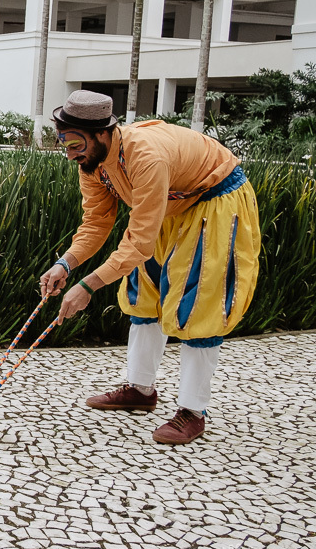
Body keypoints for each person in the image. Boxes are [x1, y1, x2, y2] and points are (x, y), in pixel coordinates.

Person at [40, 90, 261, 445]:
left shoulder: (146, 156)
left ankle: (192, 410)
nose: (69, 152)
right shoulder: (91, 164)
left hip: (214, 200)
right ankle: (140, 390)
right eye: (62, 142)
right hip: (170, 209)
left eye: (74, 142)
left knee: (196, 303)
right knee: (144, 293)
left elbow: (139, 242)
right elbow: (97, 223)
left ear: (101, 134)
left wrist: (88, 286)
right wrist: (66, 263)